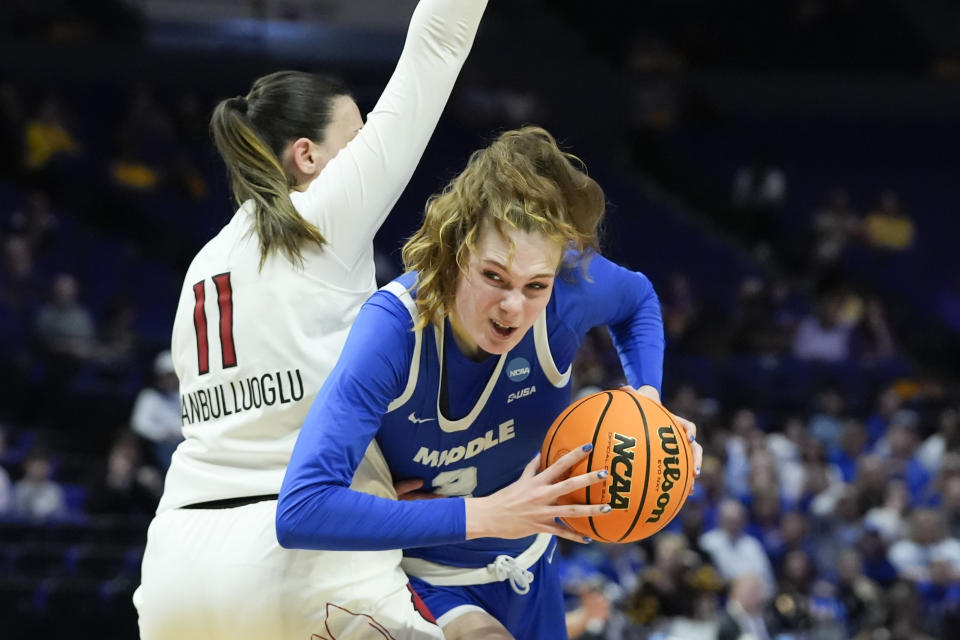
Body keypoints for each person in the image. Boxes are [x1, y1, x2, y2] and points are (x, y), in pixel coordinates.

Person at [135, 2, 490, 639]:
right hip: (298, 559)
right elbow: (437, 42)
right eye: (355, 142)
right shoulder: (324, 215)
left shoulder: (202, 267)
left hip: (175, 568)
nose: (365, 159)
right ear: (307, 155)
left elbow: (258, 418)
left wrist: (376, 482)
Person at [278, 127, 704, 640]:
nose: (513, 307)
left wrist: (648, 402)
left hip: (531, 563)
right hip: (424, 577)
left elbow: (638, 301)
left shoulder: (567, 289)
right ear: (456, 250)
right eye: (495, 277)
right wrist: (485, 514)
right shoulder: (392, 330)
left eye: (535, 286)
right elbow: (302, 509)